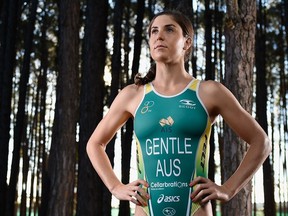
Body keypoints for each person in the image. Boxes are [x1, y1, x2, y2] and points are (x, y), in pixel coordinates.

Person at [86, 10, 271, 216]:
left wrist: (228, 189)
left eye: (169, 29)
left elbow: (261, 141)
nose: (159, 36)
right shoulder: (133, 95)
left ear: (187, 42)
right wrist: (115, 187)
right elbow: (95, 143)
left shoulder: (209, 92)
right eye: (154, 31)